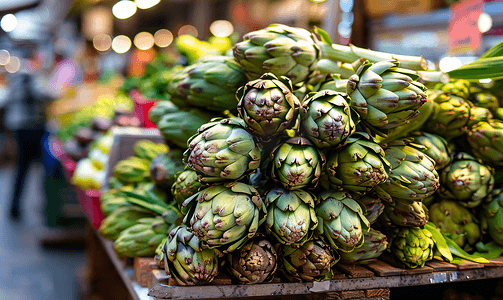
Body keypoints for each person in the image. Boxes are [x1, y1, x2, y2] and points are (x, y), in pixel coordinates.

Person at [4, 71, 47, 220]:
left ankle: (15, 206)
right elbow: (43, 95)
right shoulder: (30, 79)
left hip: (21, 129)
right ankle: (38, 205)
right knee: (33, 168)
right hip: (31, 129)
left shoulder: (15, 82)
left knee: (22, 169)